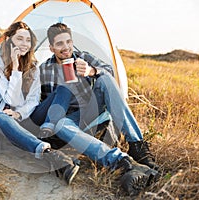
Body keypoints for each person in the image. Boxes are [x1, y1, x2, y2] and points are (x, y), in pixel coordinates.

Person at [32, 22, 160, 195]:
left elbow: (111, 76)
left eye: (68, 42)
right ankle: (121, 162)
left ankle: (137, 145)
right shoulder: (44, 69)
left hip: (93, 110)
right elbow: (41, 102)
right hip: (70, 120)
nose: (66, 47)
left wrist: (92, 71)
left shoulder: (83, 57)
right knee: (61, 124)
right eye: (60, 44)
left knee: (105, 79)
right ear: (51, 47)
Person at [0, 21, 79, 185]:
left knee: (64, 88)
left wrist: (20, 113)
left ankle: (44, 133)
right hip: (6, 120)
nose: (24, 44)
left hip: (27, 117)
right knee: (2, 116)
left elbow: (34, 99)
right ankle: (52, 155)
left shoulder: (34, 68)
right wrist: (15, 68)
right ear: (10, 40)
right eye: (19, 39)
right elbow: (10, 100)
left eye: (28, 40)